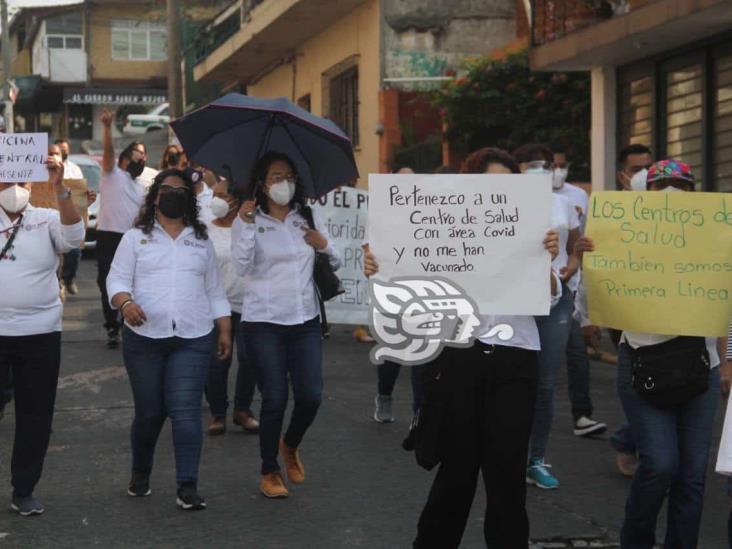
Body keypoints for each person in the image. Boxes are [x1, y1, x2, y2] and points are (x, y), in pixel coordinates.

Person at [365, 147, 561, 548]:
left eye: (509, 187)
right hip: (458, 358)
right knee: (456, 472)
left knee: (506, 475)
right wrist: (379, 267)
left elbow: (551, 296)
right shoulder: (444, 228)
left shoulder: (534, 234)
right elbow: (404, 281)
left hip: (514, 359)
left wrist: (547, 263)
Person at [577, 159, 723, 548]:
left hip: (700, 365)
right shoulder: (621, 236)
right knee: (659, 464)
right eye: (663, 186)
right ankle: (636, 540)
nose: (673, 193)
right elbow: (589, 303)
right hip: (643, 361)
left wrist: (728, 362)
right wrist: (590, 256)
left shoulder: (716, 236)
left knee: (692, 475)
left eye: (681, 185)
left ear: (693, 192)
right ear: (648, 194)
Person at [107, 168, 231, 511]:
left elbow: (214, 290)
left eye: (181, 190)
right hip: (144, 339)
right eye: (167, 189)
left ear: (190, 199)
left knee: (185, 410)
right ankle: (140, 472)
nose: (174, 194)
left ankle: (187, 485)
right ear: (156, 196)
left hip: (193, 337)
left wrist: (224, 328)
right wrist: (126, 303)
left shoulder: (201, 240)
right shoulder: (135, 238)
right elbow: (116, 281)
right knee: (150, 412)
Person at [232, 151, 340, 499]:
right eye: (276, 176)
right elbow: (242, 268)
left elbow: (334, 258)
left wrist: (324, 245)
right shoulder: (247, 219)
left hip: (304, 319)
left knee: (311, 396)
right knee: (275, 397)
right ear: (262, 184)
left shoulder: (306, 215)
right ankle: (269, 470)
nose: (284, 182)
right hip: (263, 322)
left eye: (289, 175)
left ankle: (290, 444)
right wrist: (247, 225)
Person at [0, 157, 85, 515]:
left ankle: (24, 489)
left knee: (35, 415)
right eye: (6, 182)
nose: (15, 190)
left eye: (22, 182)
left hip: (40, 333)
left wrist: (61, 189)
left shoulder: (47, 218)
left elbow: (74, 237)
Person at [513, 143, 594, 490]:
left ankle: (535, 459)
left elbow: (577, 244)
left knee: (545, 384)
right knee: (510, 379)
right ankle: (505, 455)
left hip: (555, 299)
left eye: (545, 165)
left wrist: (572, 266)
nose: (541, 170)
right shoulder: (502, 205)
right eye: (531, 165)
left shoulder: (562, 205)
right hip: (513, 299)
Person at [552, 148, 607, 438]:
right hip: (530, 290)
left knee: (575, 353)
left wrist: (574, 268)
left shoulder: (576, 197)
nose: (558, 170)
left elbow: (580, 244)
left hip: (565, 289)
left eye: (561, 165)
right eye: (552, 165)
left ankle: (582, 414)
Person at [204, 176, 259, 435]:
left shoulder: (249, 227)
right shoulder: (203, 230)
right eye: (214, 195)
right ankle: (218, 412)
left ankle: (242, 410)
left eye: (222, 195)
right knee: (217, 362)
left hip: (248, 305)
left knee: (249, 359)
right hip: (215, 308)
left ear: (236, 200)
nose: (216, 200)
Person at [373, 163, 425, 423]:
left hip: (421, 294)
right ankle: (384, 396)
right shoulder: (379, 215)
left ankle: (419, 412)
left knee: (421, 354)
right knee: (392, 352)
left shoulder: (428, 213)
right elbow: (366, 251)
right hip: (390, 291)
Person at [96, 110, 149, 349]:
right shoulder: (111, 174)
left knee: (133, 282)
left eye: (145, 155)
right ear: (126, 158)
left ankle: (130, 319)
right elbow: (108, 153)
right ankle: (112, 327)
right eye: (139, 154)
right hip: (108, 236)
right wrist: (107, 128)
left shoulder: (142, 187)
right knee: (106, 281)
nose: (143, 159)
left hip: (132, 239)